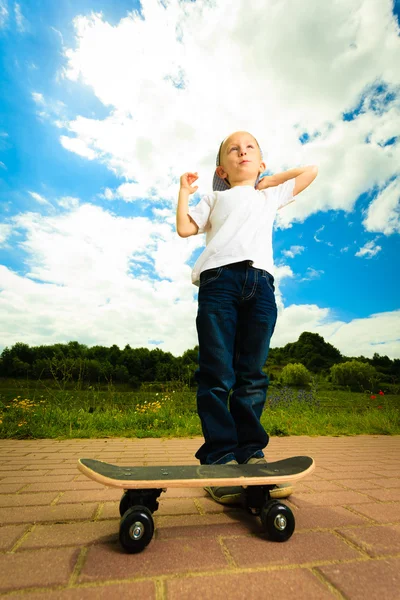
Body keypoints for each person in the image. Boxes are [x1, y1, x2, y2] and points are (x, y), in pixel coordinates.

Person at [176, 131, 318, 504]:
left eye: (249, 148)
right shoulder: (214, 197)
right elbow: (185, 229)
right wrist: (183, 194)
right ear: (222, 168)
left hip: (261, 285)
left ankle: (251, 454)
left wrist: (275, 179)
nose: (242, 152)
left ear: (260, 163)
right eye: (233, 150)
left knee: (252, 375)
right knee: (217, 373)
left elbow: (311, 171)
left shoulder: (268, 195)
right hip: (219, 282)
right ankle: (220, 458)